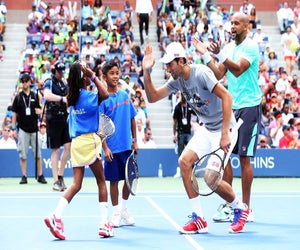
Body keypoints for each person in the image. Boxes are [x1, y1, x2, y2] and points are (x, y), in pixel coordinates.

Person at [142, 41, 248, 234]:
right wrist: (146, 72)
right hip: (207, 128)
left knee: (210, 178)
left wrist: (225, 133)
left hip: (226, 128)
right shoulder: (177, 80)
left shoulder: (201, 73)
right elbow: (153, 97)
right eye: (165, 65)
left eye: (170, 64)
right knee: (184, 162)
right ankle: (199, 218)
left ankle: (240, 209)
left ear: (181, 61)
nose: (167, 68)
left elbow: (227, 97)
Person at [192, 12, 261, 223]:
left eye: (237, 23)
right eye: (231, 23)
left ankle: (246, 208)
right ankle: (232, 206)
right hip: (232, 108)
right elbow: (219, 74)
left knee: (244, 158)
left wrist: (221, 55)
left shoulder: (251, 46)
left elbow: (238, 70)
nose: (232, 26)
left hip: (249, 106)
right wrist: (205, 55)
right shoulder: (229, 48)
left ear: (246, 27)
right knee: (225, 157)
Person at [44, 61, 113, 240]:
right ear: (84, 79)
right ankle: (104, 223)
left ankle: (56, 215)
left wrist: (86, 75)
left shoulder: (71, 97)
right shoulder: (89, 97)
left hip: (76, 144)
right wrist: (93, 75)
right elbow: (105, 93)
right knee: (101, 181)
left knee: (76, 184)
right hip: (90, 141)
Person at [99, 60, 138, 228]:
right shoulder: (102, 100)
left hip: (127, 146)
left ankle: (123, 208)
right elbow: (99, 126)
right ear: (104, 76)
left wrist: (135, 140)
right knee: (114, 181)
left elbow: (132, 119)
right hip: (112, 148)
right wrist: (105, 147)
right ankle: (116, 212)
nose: (115, 76)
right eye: (112, 74)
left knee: (130, 179)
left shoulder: (124, 95)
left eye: (117, 73)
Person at [11, 73, 47, 185]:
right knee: (23, 154)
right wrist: (13, 128)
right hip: (22, 129)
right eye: (23, 81)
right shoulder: (18, 97)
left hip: (34, 129)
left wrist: (40, 112)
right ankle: (24, 176)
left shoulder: (36, 95)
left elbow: (41, 111)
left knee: (38, 154)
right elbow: (14, 114)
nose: (24, 83)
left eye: (26, 80)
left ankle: (40, 175)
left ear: (30, 82)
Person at [43, 61, 71, 191]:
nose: (61, 74)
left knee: (68, 147)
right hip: (53, 118)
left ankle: (60, 175)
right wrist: (61, 99)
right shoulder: (49, 81)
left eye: (62, 71)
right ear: (54, 71)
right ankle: (55, 181)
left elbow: (69, 96)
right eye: (59, 71)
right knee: (55, 150)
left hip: (64, 117)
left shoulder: (64, 82)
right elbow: (47, 96)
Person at [172, 93, 193, 178]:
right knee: (181, 154)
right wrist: (174, 134)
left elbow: (196, 113)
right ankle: (181, 172)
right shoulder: (177, 107)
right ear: (181, 96)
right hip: (180, 133)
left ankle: (191, 171)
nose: (184, 97)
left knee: (190, 153)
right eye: (183, 95)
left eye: (185, 95)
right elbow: (174, 122)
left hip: (188, 132)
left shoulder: (190, 106)